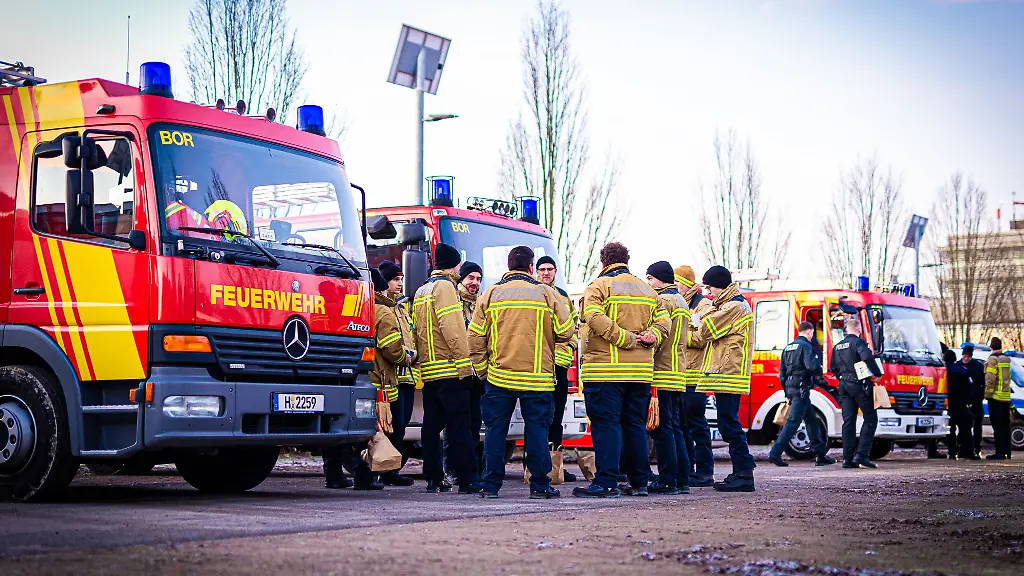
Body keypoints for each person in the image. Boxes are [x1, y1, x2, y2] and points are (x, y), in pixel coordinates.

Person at [470, 246, 574, 499]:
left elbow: (474, 337)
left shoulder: (491, 295)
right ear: (531, 267)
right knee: (538, 431)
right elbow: (566, 332)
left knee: (496, 432)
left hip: (499, 377)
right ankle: (539, 486)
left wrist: (484, 371)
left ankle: (491, 486)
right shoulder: (547, 294)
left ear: (509, 266)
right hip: (537, 379)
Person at [573, 243, 670, 498]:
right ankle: (640, 482)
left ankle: (606, 481)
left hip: (606, 371)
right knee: (634, 425)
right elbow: (664, 319)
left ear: (603, 262)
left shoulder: (599, 286)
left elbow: (592, 317)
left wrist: (623, 338)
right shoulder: (646, 289)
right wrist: (654, 335)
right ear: (626, 260)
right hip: (639, 371)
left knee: (607, 425)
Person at [412, 243, 482, 494]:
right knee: (460, 426)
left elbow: (418, 331)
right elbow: (453, 329)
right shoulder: (446, 289)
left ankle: (433, 478)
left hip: (429, 371)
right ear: (454, 265)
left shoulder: (422, 290)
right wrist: (465, 366)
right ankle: (468, 480)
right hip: (451, 371)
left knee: (431, 427)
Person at [696, 266, 757, 492]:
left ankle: (744, 473)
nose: (708, 293)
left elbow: (706, 330)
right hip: (726, 372)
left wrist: (704, 312)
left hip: (729, 373)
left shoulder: (734, 306)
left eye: (710, 287)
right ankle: (741, 470)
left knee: (730, 424)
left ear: (719, 285)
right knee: (728, 423)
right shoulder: (731, 304)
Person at [645, 261, 691, 495]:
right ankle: (682, 479)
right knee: (675, 428)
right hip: (677, 372)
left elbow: (658, 337)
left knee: (662, 430)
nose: (648, 284)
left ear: (660, 279)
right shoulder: (681, 300)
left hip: (661, 372)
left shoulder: (662, 300)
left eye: (650, 279)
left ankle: (667, 479)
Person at [536, 255, 581, 482]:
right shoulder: (532, 293)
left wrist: (571, 345)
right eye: (542, 269)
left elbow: (574, 326)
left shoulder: (563, 296)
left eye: (549, 269)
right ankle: (535, 465)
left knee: (557, 416)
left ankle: (556, 468)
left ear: (555, 272)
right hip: (538, 365)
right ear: (536, 271)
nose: (545, 273)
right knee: (537, 417)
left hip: (560, 365)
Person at [768, 322, 836, 467]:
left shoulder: (788, 348)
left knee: (811, 420)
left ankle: (820, 454)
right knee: (793, 422)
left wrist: (787, 392)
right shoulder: (806, 346)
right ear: (810, 331)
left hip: (792, 388)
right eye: (812, 333)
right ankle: (775, 453)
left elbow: (782, 374)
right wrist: (820, 371)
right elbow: (811, 366)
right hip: (801, 388)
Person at [377, 261, 418, 486]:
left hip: (407, 377)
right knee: (390, 426)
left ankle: (392, 470)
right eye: (395, 279)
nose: (400, 284)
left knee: (400, 427)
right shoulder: (384, 310)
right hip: (391, 377)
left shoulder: (402, 308)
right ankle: (386, 471)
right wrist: (409, 357)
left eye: (401, 279)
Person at [444, 261, 485, 484]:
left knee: (474, 424)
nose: (475, 283)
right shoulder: (454, 301)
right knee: (456, 425)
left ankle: (473, 469)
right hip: (457, 371)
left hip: (477, 372)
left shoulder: (481, 303)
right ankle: (452, 470)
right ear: (461, 279)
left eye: (478, 279)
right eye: (471, 278)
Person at [676, 265, 715, 487]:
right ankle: (688, 468)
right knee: (681, 425)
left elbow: (702, 338)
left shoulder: (703, 305)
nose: (675, 286)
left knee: (697, 425)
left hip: (695, 376)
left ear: (688, 284)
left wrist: (678, 335)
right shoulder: (679, 303)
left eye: (678, 282)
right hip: (680, 375)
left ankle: (705, 471)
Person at [830, 315, 883, 469]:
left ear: (847, 330)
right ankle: (862, 456)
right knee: (871, 418)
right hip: (859, 385)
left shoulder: (838, 345)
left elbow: (833, 368)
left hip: (843, 386)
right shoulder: (859, 343)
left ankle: (847, 459)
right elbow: (867, 358)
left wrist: (842, 376)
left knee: (849, 422)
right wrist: (877, 374)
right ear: (859, 330)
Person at [943, 348, 978, 460]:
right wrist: (970, 401)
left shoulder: (942, 371)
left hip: (947, 404)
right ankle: (968, 451)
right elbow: (970, 387)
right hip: (961, 404)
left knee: (950, 429)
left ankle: (952, 452)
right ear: (955, 359)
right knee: (965, 429)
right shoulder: (962, 370)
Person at [984, 337, 1013, 460]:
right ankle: (1007, 451)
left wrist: (987, 394)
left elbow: (990, 379)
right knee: (1005, 426)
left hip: (995, 397)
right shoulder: (1006, 359)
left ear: (991, 346)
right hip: (1005, 397)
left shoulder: (992, 359)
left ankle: (999, 452)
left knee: (997, 427)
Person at [962, 344, 987, 458]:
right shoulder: (959, 365)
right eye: (964, 356)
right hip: (963, 402)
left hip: (976, 401)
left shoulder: (977, 366)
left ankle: (977, 448)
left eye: (968, 356)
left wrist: (980, 397)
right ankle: (964, 448)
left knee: (977, 426)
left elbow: (983, 383)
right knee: (965, 427)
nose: (966, 358)